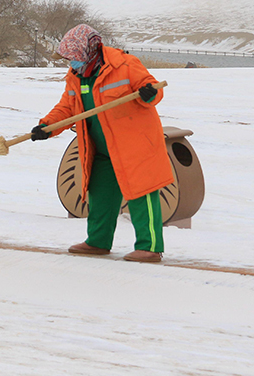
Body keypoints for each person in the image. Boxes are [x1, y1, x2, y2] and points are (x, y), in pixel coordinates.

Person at [30, 24, 174, 263]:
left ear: (88, 51)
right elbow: (67, 107)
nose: (71, 63)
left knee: (142, 193)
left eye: (73, 58)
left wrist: (150, 93)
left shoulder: (125, 65)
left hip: (134, 145)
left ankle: (149, 247)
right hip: (100, 147)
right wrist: (47, 127)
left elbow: (153, 89)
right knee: (100, 194)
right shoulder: (76, 76)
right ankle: (98, 242)